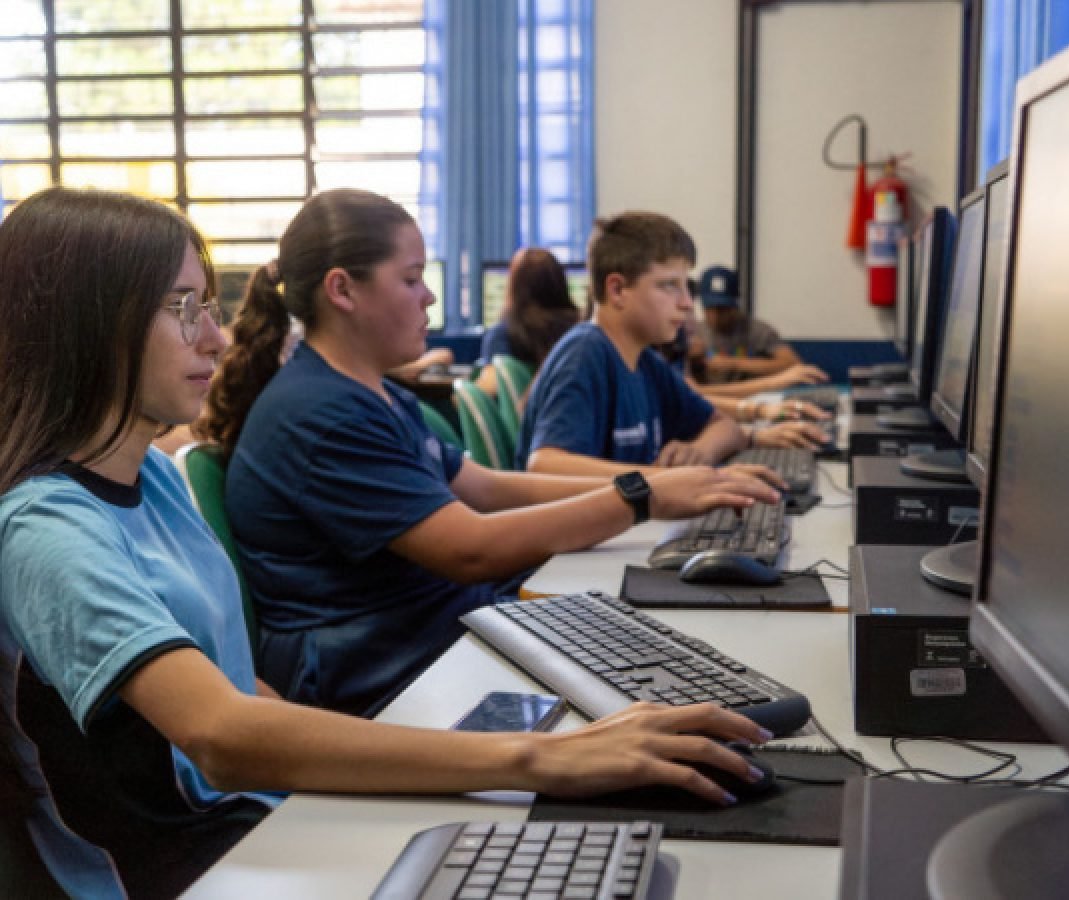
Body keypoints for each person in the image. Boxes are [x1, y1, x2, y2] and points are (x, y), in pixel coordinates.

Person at [0, 187, 780, 897]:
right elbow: (223, 734)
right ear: (88, 325)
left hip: (259, 816)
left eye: (208, 305)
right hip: (189, 870)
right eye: (182, 309)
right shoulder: (47, 529)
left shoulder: (157, 481)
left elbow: (244, 691)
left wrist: (423, 759)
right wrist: (534, 757)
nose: (213, 334)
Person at [196, 188, 780, 718]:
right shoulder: (320, 413)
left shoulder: (371, 392)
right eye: (411, 279)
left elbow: (488, 487)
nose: (429, 296)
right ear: (342, 289)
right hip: (382, 672)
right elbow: (469, 550)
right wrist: (639, 496)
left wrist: (649, 488)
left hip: (429, 636)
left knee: (656, 649)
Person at [517, 212, 829, 475]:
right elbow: (546, 465)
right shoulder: (586, 353)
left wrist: (699, 452)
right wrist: (662, 482)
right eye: (669, 286)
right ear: (617, 290)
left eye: (687, 286)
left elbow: (723, 426)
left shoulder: (646, 363)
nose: (687, 303)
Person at [473, 247, 581, 400]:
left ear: (513, 287)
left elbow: (487, 390)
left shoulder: (503, 334)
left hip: (522, 421)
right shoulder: (582, 332)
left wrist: (461, 396)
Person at [692, 265, 827, 385]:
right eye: (710, 308)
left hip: (752, 399)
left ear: (735, 305)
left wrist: (734, 363)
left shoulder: (757, 330)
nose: (716, 316)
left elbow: (793, 365)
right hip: (708, 401)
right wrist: (689, 358)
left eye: (723, 309)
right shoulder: (692, 332)